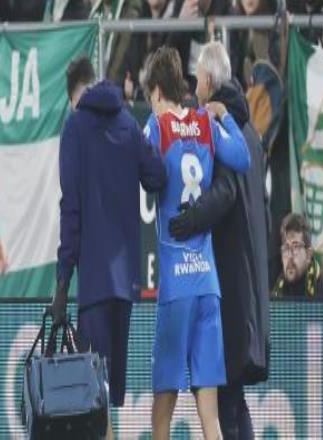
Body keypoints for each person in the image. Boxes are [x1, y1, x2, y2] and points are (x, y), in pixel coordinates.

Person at [50, 55, 166, 439]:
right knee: (103, 404)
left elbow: (71, 210)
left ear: (75, 96)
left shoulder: (75, 128)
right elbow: (157, 176)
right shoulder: (128, 123)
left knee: (90, 405)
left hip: (94, 287)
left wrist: (62, 281)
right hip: (125, 286)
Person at [143, 47, 250, 440]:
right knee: (211, 416)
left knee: (162, 413)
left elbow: (139, 169)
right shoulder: (205, 122)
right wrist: (225, 117)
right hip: (208, 284)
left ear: (156, 92)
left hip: (176, 287)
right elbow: (242, 158)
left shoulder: (156, 127)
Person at [168, 41, 270, 439]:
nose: (194, 88)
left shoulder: (222, 128)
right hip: (250, 282)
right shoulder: (251, 133)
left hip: (229, 280)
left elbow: (224, 193)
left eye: (197, 80)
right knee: (234, 398)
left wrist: (189, 218)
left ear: (209, 80)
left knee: (225, 400)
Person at [272, 213, 323, 299]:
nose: (289, 256)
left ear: (308, 255)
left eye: (295, 247)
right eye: (286, 248)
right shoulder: (276, 289)